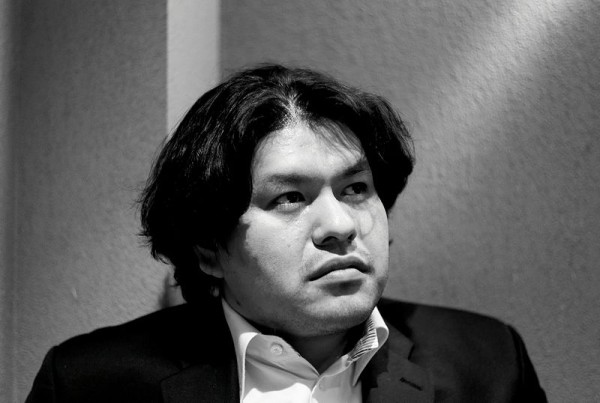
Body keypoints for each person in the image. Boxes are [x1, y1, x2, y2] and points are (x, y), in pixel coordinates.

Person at [27, 64, 547, 402]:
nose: (340, 226)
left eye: (356, 189)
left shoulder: (489, 363)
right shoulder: (88, 384)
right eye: (290, 198)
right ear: (208, 249)